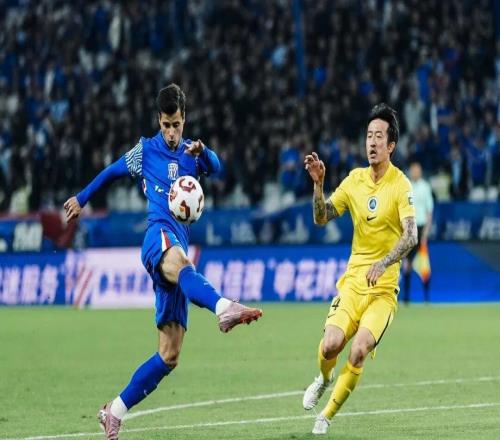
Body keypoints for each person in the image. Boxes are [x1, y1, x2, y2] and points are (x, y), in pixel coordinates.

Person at [63, 84, 263, 440]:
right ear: (159, 120)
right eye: (167, 125)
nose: (172, 132)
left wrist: (204, 151)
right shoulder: (145, 151)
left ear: (184, 120)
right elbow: (111, 172)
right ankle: (223, 307)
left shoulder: (192, 153)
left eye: (177, 125)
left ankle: (113, 411)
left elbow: (217, 167)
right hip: (158, 238)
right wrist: (81, 198)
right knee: (184, 265)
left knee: (169, 355)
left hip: (177, 246)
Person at [302, 103, 417, 435]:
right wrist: (318, 185)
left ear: (391, 145)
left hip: (383, 291)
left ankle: (325, 416)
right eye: (369, 135)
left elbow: (411, 235)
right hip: (353, 283)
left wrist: (383, 263)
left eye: (379, 136)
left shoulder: (401, 186)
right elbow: (322, 217)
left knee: (359, 349)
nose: (372, 142)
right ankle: (324, 378)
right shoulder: (354, 180)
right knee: (330, 345)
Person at [403, 161, 434, 303]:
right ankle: (406, 298)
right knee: (407, 264)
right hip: (409, 229)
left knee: (424, 264)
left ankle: (426, 298)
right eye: (413, 170)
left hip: (421, 228)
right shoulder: (405, 186)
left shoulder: (425, 187)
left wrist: (426, 232)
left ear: (420, 172)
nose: (415, 172)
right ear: (410, 171)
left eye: (417, 170)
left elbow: (429, 210)